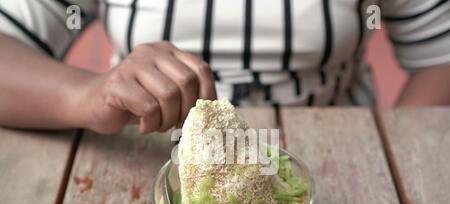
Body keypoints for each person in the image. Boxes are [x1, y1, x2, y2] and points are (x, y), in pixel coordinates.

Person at [0, 0, 449, 134]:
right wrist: (90, 93)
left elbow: (440, 55)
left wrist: (389, 150)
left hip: (333, 159)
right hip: (147, 159)